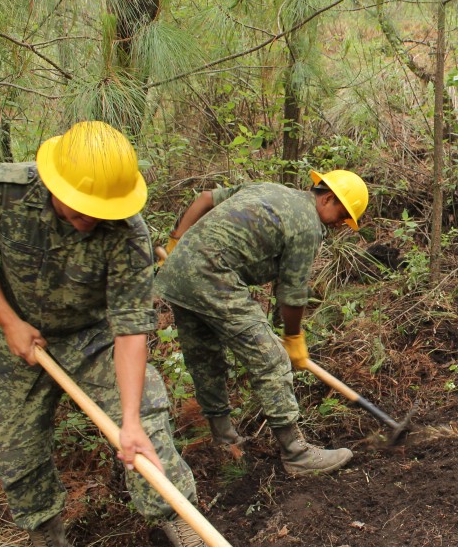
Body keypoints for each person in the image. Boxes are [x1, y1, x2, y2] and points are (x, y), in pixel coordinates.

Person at [0, 122, 240, 547]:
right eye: (81, 210)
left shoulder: (128, 234)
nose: (90, 220)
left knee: (147, 428)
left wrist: (131, 420)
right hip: (14, 332)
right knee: (12, 444)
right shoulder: (3, 190)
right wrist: (8, 321)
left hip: (91, 336)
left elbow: (130, 327)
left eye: (101, 212)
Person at [155, 170, 368, 476]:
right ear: (328, 198)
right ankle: (296, 454)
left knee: (205, 359)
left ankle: (224, 440)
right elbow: (292, 295)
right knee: (271, 361)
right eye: (342, 215)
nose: (340, 225)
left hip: (177, 276)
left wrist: (176, 243)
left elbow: (204, 199)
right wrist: (293, 339)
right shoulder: (308, 225)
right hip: (213, 276)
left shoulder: (268, 189)